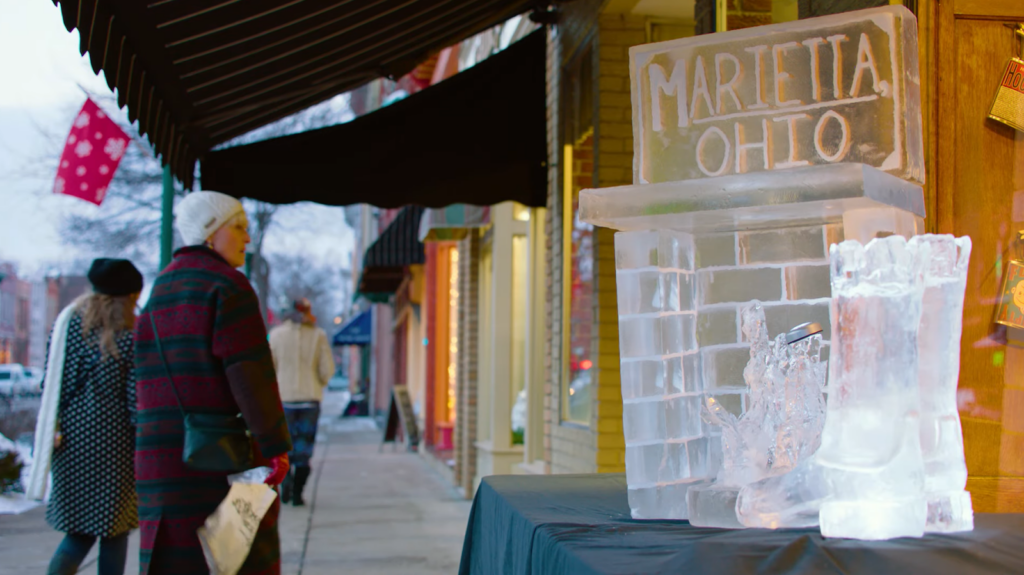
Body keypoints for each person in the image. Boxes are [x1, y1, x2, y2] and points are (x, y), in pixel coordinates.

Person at [134, 191, 292, 575]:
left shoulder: (159, 291)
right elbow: (250, 376)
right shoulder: (228, 287)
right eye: (238, 228)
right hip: (218, 460)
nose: (247, 238)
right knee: (235, 559)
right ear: (210, 233)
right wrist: (274, 447)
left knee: (175, 560)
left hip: (160, 463)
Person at [27, 258, 143, 575]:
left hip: (71, 443)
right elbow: (136, 400)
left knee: (78, 533)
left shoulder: (68, 325)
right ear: (130, 295)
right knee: (115, 531)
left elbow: (50, 382)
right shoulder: (130, 333)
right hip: (114, 448)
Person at [268, 298, 335, 506]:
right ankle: (298, 493)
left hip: (283, 401)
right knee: (304, 450)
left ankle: (285, 483)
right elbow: (327, 370)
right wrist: (316, 382)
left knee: (285, 448)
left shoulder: (276, 336)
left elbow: (268, 368)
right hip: (309, 400)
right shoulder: (318, 336)